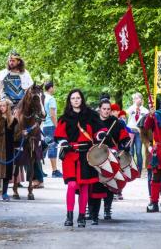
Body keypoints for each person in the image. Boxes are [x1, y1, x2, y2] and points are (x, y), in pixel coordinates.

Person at [54, 89, 104, 228]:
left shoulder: (91, 116)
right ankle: (69, 216)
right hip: (70, 155)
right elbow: (59, 135)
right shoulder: (64, 118)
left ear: (82, 99)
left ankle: (81, 217)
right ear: (69, 101)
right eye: (73, 98)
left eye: (78, 98)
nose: (76, 100)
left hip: (87, 156)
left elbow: (100, 130)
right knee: (72, 185)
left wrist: (100, 135)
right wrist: (63, 142)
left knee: (84, 187)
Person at [89, 99, 130, 224]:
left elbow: (124, 138)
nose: (106, 111)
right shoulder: (93, 122)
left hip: (111, 155)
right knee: (94, 184)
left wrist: (125, 144)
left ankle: (107, 209)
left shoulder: (115, 123)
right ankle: (92, 212)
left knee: (110, 183)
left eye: (108, 109)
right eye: (104, 109)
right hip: (96, 155)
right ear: (100, 109)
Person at [0, 99, 19, 201]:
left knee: (7, 172)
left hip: (8, 150)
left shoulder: (13, 121)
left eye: (4, 106)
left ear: (8, 107)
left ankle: (5, 193)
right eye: (0, 106)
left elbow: (16, 135)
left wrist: (22, 136)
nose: (2, 108)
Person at [42, 81, 62, 178]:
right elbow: (52, 114)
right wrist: (57, 127)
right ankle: (54, 171)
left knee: (44, 147)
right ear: (50, 88)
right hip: (51, 125)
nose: (54, 89)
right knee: (52, 146)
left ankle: (40, 170)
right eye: (54, 87)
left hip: (44, 126)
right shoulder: (51, 99)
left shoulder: (42, 98)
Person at [126, 92, 149, 174]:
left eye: (137, 98)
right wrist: (133, 107)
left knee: (138, 151)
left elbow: (146, 122)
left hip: (139, 132)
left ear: (141, 99)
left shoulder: (145, 110)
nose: (135, 100)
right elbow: (126, 115)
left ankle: (139, 170)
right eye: (134, 98)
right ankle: (132, 169)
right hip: (130, 131)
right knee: (131, 151)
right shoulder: (131, 109)